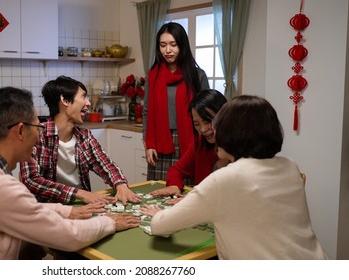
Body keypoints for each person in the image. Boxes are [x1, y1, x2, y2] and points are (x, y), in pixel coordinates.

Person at [0, 87, 140, 260]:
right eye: (37, 127)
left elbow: (16, 207)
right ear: (20, 131)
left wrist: (67, 212)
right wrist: (111, 222)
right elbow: (70, 237)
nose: (39, 136)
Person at [140, 95, 328, 259]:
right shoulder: (290, 166)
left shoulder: (225, 178)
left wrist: (158, 215)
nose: (212, 131)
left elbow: (161, 226)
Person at [20, 76, 142, 206]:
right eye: (83, 97)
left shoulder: (85, 136)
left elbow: (106, 165)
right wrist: (80, 193)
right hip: (48, 210)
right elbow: (32, 180)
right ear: (65, 100)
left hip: (82, 205)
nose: (88, 103)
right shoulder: (36, 136)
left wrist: (121, 185)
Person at [143, 22, 210, 182]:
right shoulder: (152, 76)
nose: (167, 50)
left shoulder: (197, 75)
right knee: (158, 191)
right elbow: (147, 112)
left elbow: (206, 112)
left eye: (173, 44)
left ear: (182, 45)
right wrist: (148, 143)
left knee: (187, 194)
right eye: (163, 45)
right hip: (159, 142)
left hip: (189, 141)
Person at [149, 89, 228, 199]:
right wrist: (174, 185)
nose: (203, 129)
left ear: (223, 115)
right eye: (197, 124)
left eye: (207, 122)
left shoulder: (239, 150)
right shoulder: (200, 143)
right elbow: (176, 170)